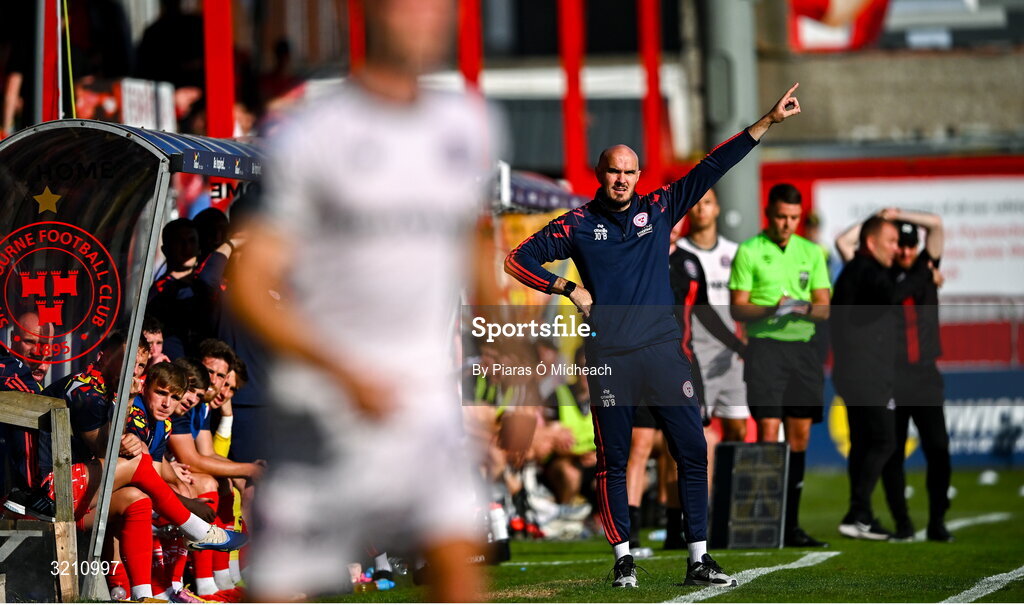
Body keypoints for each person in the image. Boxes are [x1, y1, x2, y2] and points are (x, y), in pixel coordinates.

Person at [227, 0, 502, 601]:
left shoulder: (465, 124)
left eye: (439, 10)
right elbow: (250, 281)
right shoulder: (312, 137)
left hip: (424, 402)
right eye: (410, 9)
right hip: (328, 408)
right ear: (372, 14)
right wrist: (340, 369)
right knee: (279, 589)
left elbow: (468, 239)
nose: (425, 23)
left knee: (458, 567)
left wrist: (510, 344)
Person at [505, 83, 803, 588]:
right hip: (609, 358)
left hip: (664, 354)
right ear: (600, 175)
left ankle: (699, 559)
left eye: (629, 171)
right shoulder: (577, 224)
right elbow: (516, 259)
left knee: (691, 449)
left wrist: (767, 122)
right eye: (613, 171)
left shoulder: (660, 207)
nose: (621, 179)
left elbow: (712, 166)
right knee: (614, 462)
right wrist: (567, 287)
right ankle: (623, 559)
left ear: (639, 176)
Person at [834, 208, 952, 542]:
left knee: (937, 448)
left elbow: (937, 225)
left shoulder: (924, 267)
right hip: (888, 374)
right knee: (889, 448)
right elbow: (844, 242)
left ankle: (937, 521)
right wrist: (877, 217)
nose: (903, 250)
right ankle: (899, 522)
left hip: (924, 375)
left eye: (909, 245)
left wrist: (898, 213)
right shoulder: (877, 273)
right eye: (897, 243)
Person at [728, 183, 831, 549]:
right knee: (769, 430)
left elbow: (824, 305)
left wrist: (802, 307)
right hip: (766, 349)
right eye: (781, 217)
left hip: (803, 351)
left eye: (793, 218)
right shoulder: (750, 251)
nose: (787, 224)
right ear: (768, 215)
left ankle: (791, 525)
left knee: (799, 436)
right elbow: (738, 307)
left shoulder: (812, 252)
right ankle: (765, 522)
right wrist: (772, 307)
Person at [678, 189, 751, 442]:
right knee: (698, 433)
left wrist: (745, 342)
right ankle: (704, 482)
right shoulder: (678, 252)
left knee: (738, 430)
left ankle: (724, 482)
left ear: (717, 208)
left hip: (730, 355)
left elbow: (746, 303)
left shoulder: (735, 253)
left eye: (707, 203)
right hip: (694, 354)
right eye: (696, 203)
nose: (701, 209)